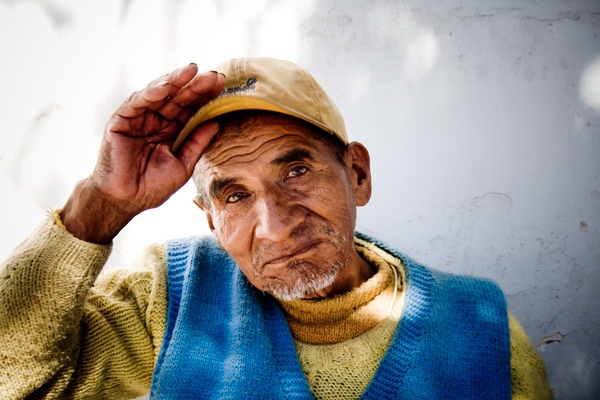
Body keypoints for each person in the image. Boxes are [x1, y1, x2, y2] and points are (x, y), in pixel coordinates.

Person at [0, 57, 552, 399]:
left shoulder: (482, 328)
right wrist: (101, 203)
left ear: (356, 174)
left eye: (296, 170)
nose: (276, 225)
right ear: (212, 221)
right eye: (235, 195)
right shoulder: (167, 298)